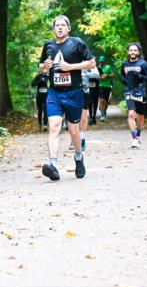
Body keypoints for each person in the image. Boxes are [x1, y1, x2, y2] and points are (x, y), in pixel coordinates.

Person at [39, 15, 95, 181]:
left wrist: (71, 67)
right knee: (54, 126)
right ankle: (53, 166)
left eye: (63, 25)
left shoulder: (76, 43)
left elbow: (91, 63)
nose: (60, 28)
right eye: (57, 26)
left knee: (73, 130)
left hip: (74, 93)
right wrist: (44, 67)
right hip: (54, 93)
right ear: (54, 29)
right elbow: (41, 68)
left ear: (68, 28)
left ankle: (78, 157)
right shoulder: (48, 45)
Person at [120, 42, 147, 148]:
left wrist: (139, 76)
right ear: (128, 52)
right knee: (131, 114)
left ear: (138, 52)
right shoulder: (125, 64)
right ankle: (134, 139)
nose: (133, 52)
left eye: (135, 50)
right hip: (129, 91)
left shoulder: (143, 64)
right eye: (131, 50)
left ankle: (138, 135)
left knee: (140, 116)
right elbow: (122, 75)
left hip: (140, 91)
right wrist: (124, 80)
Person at [96, 56, 114, 121]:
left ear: (104, 62)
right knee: (102, 100)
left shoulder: (108, 67)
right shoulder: (97, 68)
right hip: (100, 86)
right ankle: (102, 115)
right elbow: (95, 76)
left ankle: (104, 113)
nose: (101, 63)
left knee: (106, 101)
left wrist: (107, 76)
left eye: (102, 62)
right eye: (100, 62)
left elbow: (113, 75)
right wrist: (100, 78)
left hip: (107, 86)